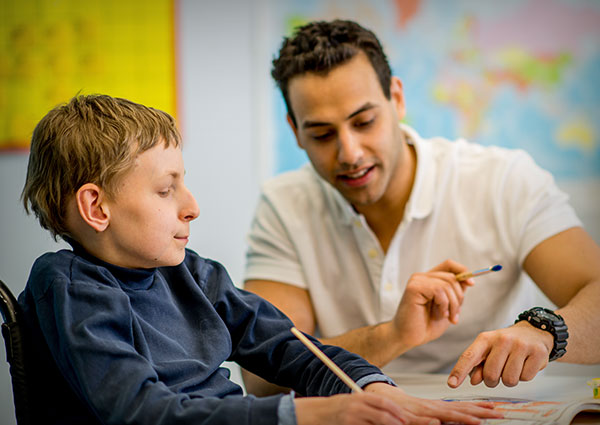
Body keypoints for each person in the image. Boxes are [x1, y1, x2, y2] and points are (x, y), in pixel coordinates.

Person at [17, 94, 502, 425]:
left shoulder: (192, 274)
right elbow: (143, 413)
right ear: (96, 207)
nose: (192, 205)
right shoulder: (68, 286)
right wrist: (307, 415)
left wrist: (371, 387)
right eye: (167, 189)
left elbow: (295, 349)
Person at [242, 19, 600, 396]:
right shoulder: (283, 205)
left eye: (364, 122)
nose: (350, 153)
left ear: (396, 98)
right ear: (295, 130)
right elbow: (264, 377)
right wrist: (392, 336)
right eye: (322, 135)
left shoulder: (504, 179)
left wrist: (545, 330)